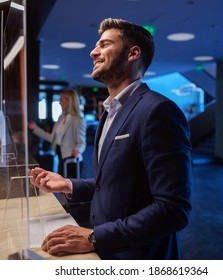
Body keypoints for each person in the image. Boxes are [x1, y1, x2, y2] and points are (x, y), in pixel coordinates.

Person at [30, 18, 192, 260]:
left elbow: (173, 210)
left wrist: (95, 237)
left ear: (132, 53)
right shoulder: (109, 111)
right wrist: (68, 185)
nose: (93, 52)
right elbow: (117, 181)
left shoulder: (158, 111)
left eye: (104, 45)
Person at [28, 89, 86, 178]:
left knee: (70, 188)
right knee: (61, 186)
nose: (59, 103)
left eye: (61, 100)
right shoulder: (61, 117)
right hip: (60, 157)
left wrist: (78, 150)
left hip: (71, 159)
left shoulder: (78, 119)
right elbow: (52, 138)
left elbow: (82, 142)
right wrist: (36, 129)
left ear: (69, 101)